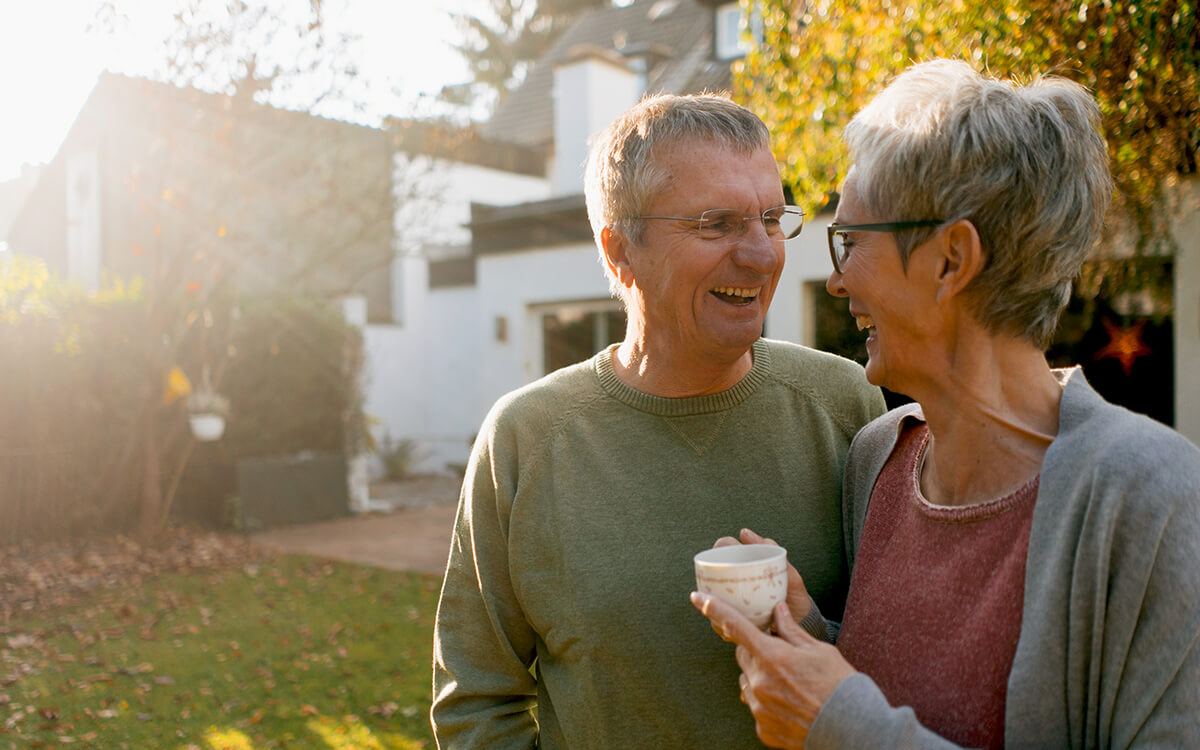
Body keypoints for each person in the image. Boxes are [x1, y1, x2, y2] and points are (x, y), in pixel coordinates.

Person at [693, 59, 1200, 748]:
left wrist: (838, 726)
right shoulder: (880, 460)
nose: (837, 282)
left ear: (952, 260)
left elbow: (868, 728)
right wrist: (813, 638)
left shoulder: (1154, 495)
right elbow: (920, 698)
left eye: (852, 242)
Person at [431, 93, 886, 748]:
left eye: (770, 218)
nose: (761, 255)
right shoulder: (524, 440)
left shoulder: (846, 405)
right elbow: (476, 701)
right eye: (718, 224)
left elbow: (897, 664)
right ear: (621, 252)